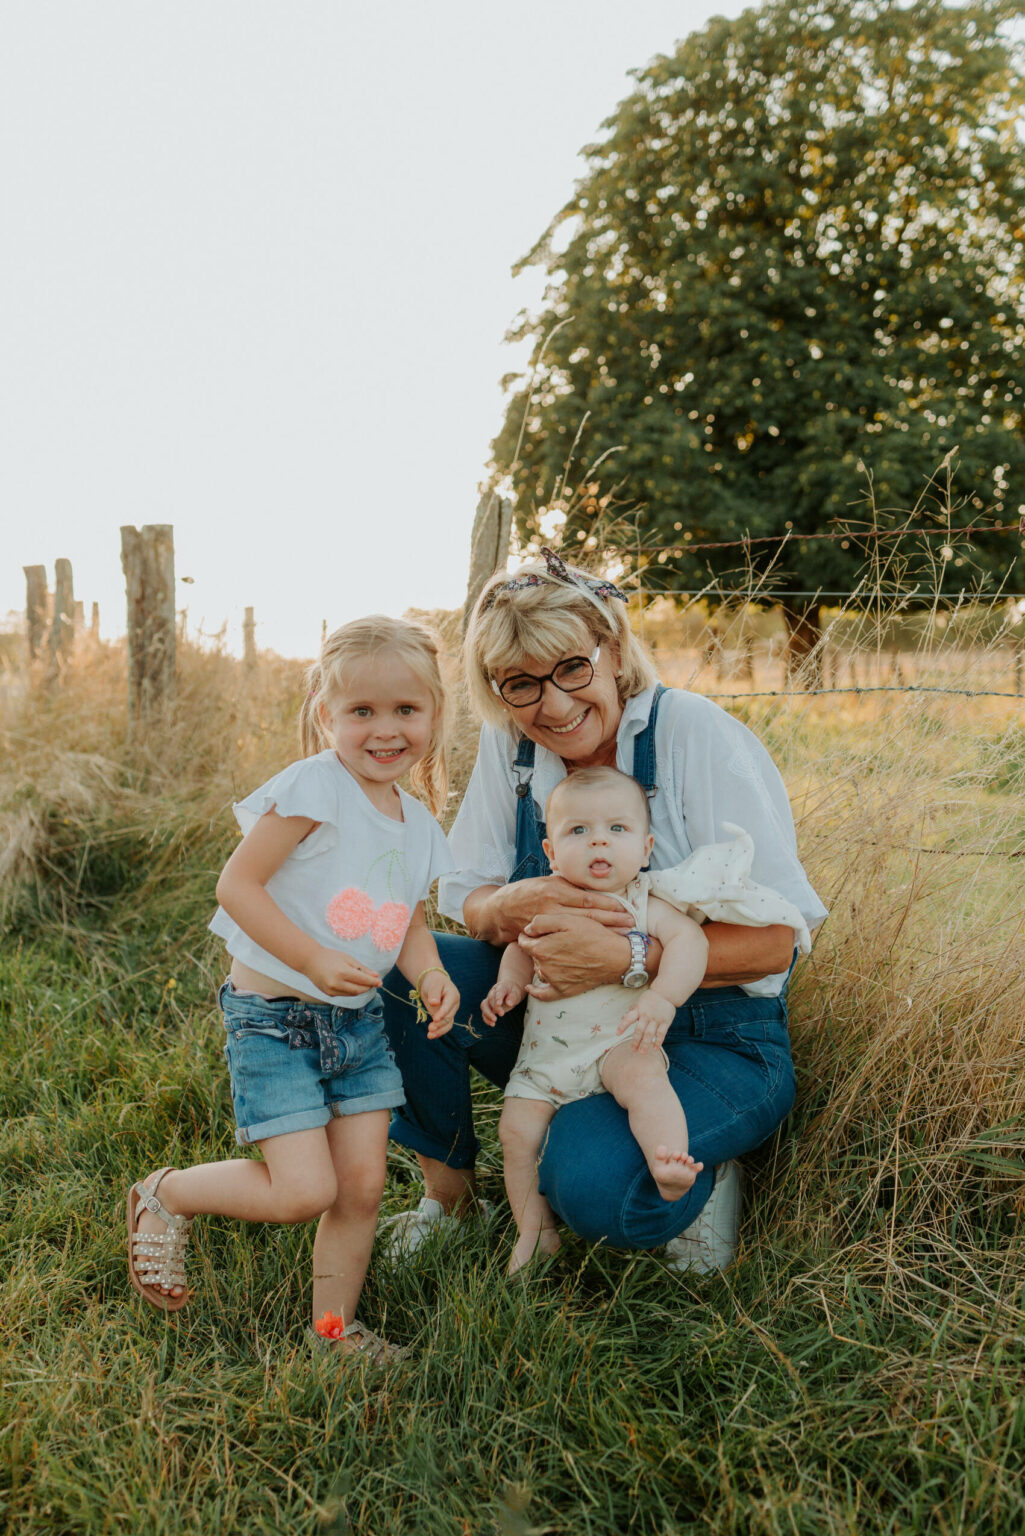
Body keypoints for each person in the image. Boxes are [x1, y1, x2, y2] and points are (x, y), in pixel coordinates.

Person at [381, 549, 827, 1273]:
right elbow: (462, 889)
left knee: (592, 1190)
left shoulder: (694, 735)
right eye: (520, 685)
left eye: (571, 669)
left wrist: (631, 959)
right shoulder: (514, 747)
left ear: (612, 651)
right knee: (404, 972)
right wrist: (506, 905)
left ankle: (698, 1169)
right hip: (563, 1022)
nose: (552, 705)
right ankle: (453, 1202)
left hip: (715, 1033)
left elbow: (780, 941)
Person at [127, 616, 458, 1362]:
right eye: (361, 711)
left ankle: (333, 1333)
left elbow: (404, 921)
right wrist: (310, 958)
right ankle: (167, 1192)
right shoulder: (316, 786)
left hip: (358, 1026)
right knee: (301, 1191)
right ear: (326, 715)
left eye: (406, 710)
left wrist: (431, 974)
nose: (385, 729)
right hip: (275, 1020)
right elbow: (238, 885)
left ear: (435, 714)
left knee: (363, 1187)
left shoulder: (418, 824)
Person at [485, 766, 812, 1273]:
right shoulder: (546, 895)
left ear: (645, 847)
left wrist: (662, 997)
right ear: (550, 851)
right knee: (515, 1133)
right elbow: (521, 946)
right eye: (578, 831)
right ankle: (535, 1230)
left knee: (643, 1078)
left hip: (615, 1047)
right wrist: (508, 982)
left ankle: (670, 1165)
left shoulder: (642, 901)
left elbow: (691, 943)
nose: (599, 843)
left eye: (617, 830)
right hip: (546, 1059)